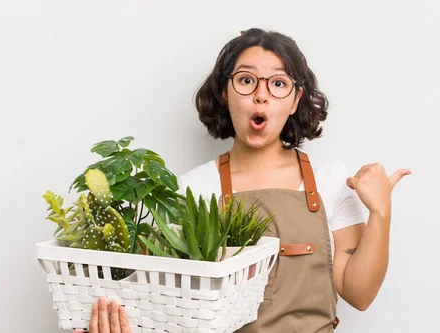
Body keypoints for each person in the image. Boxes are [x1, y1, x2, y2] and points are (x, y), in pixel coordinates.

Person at [78, 28, 411, 333]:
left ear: (295, 99)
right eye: (247, 80)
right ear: (225, 91)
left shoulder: (332, 179)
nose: (261, 96)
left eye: (278, 84)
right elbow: (170, 310)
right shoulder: (189, 189)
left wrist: (381, 211)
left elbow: (359, 294)